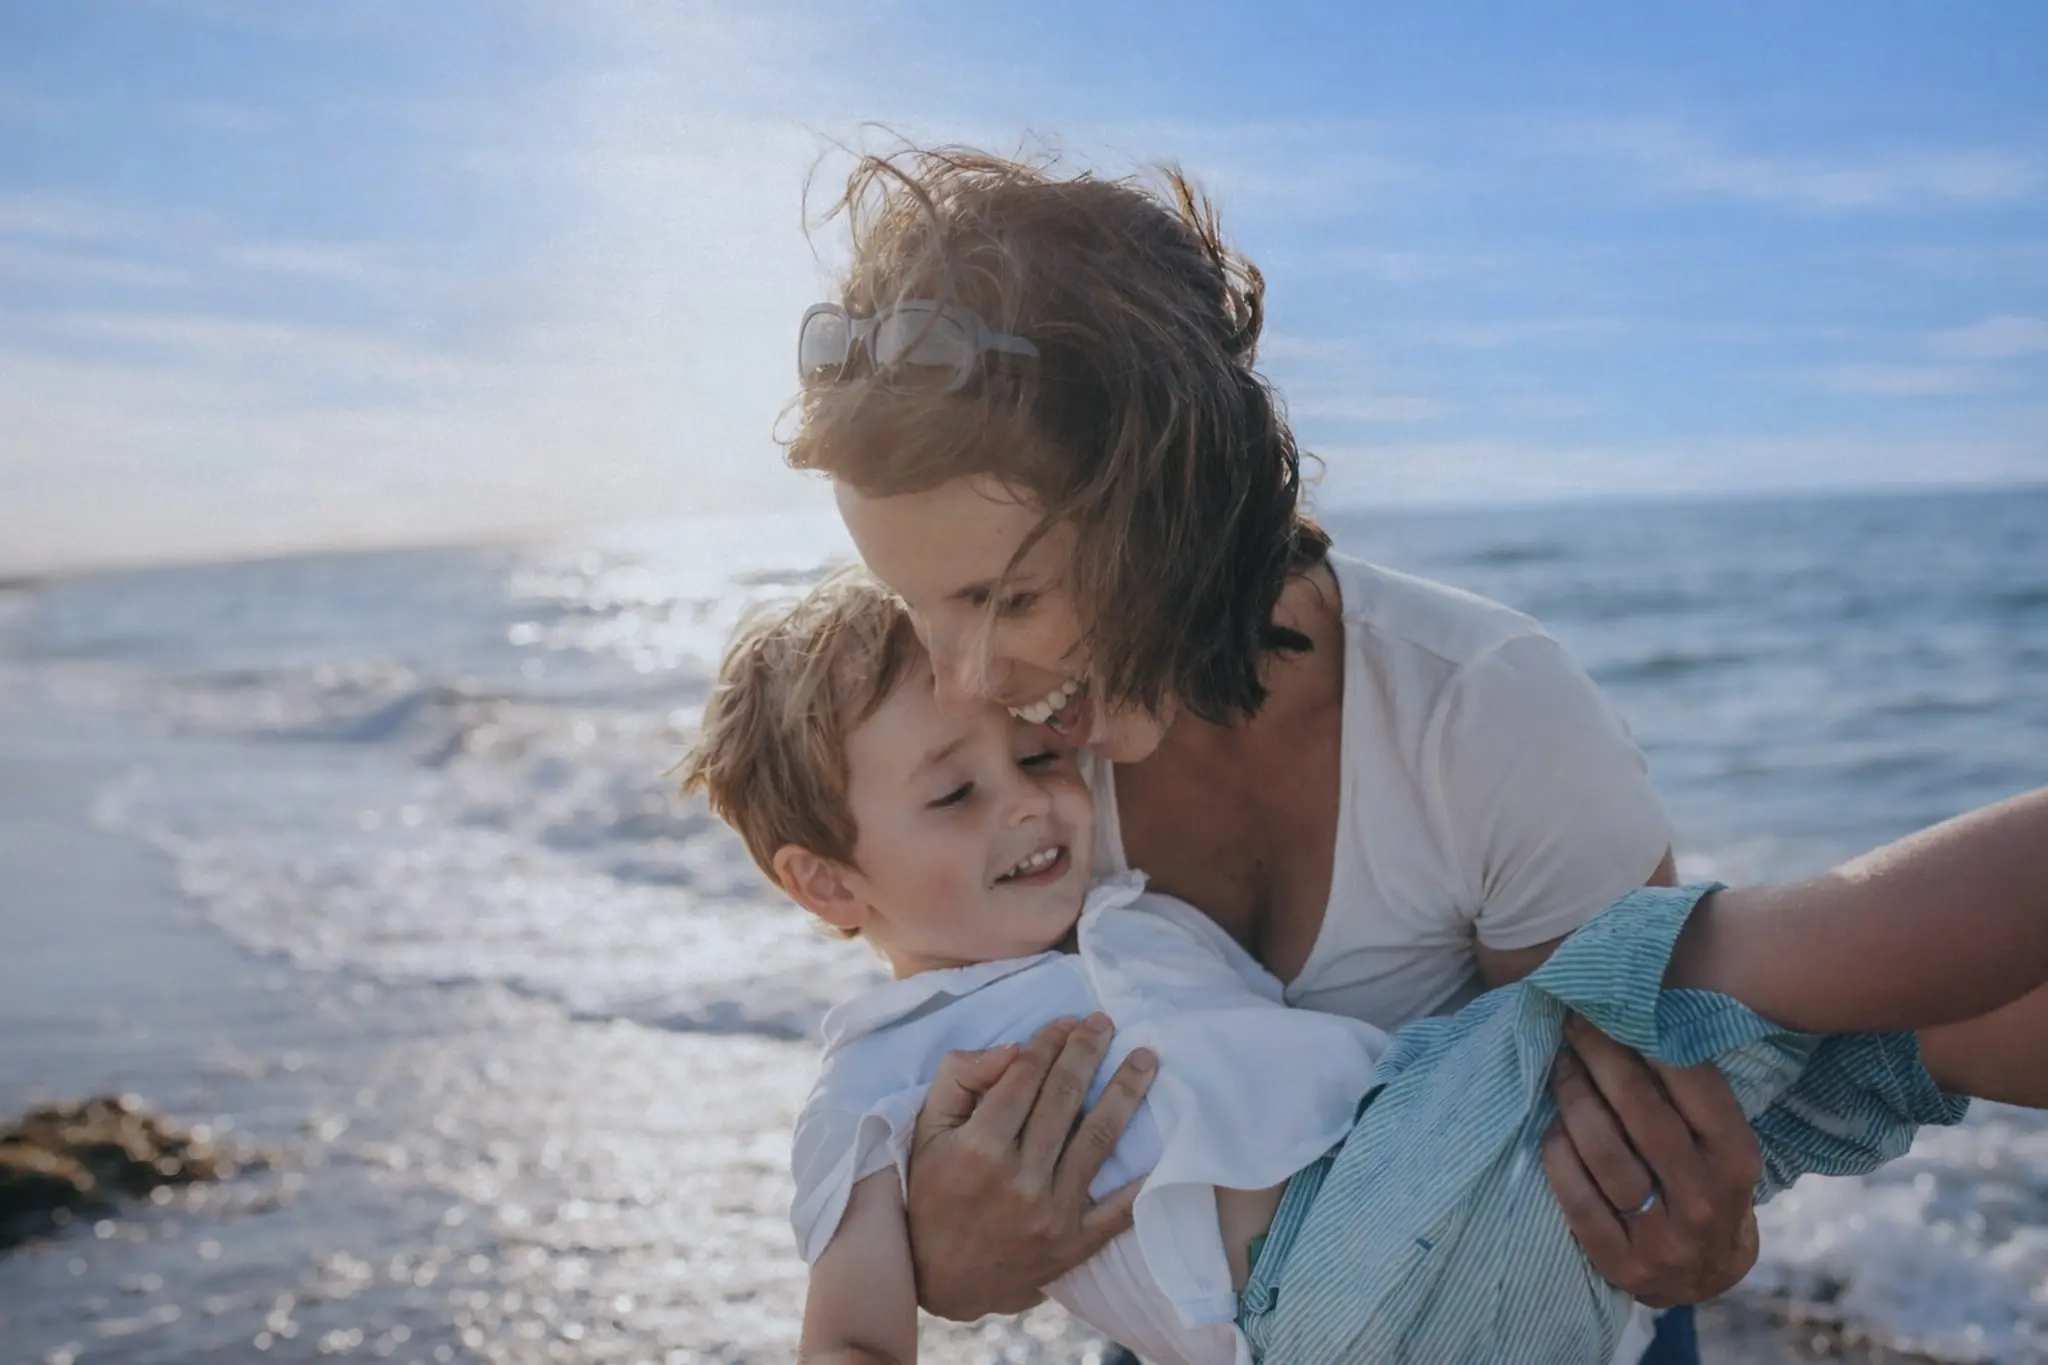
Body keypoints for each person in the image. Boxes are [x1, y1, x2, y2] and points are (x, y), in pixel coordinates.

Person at [785, 144, 1749, 1361]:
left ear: (1172, 506)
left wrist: (1692, 1234)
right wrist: (952, 1265)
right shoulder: (1007, 773)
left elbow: (1628, 1158)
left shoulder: (1485, 722)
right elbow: (954, 1064)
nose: (968, 680)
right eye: (918, 609)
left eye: (1008, 601)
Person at [678, 573, 2047, 1365]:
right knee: (1713, 963)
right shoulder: (876, 1065)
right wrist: (940, 1259)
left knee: (1888, 1043)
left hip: (1461, 1239)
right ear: (824, 882)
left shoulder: (1124, 906)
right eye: (953, 796)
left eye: (1035, 759)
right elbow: (852, 1336)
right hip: (1323, 1286)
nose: (1031, 804)